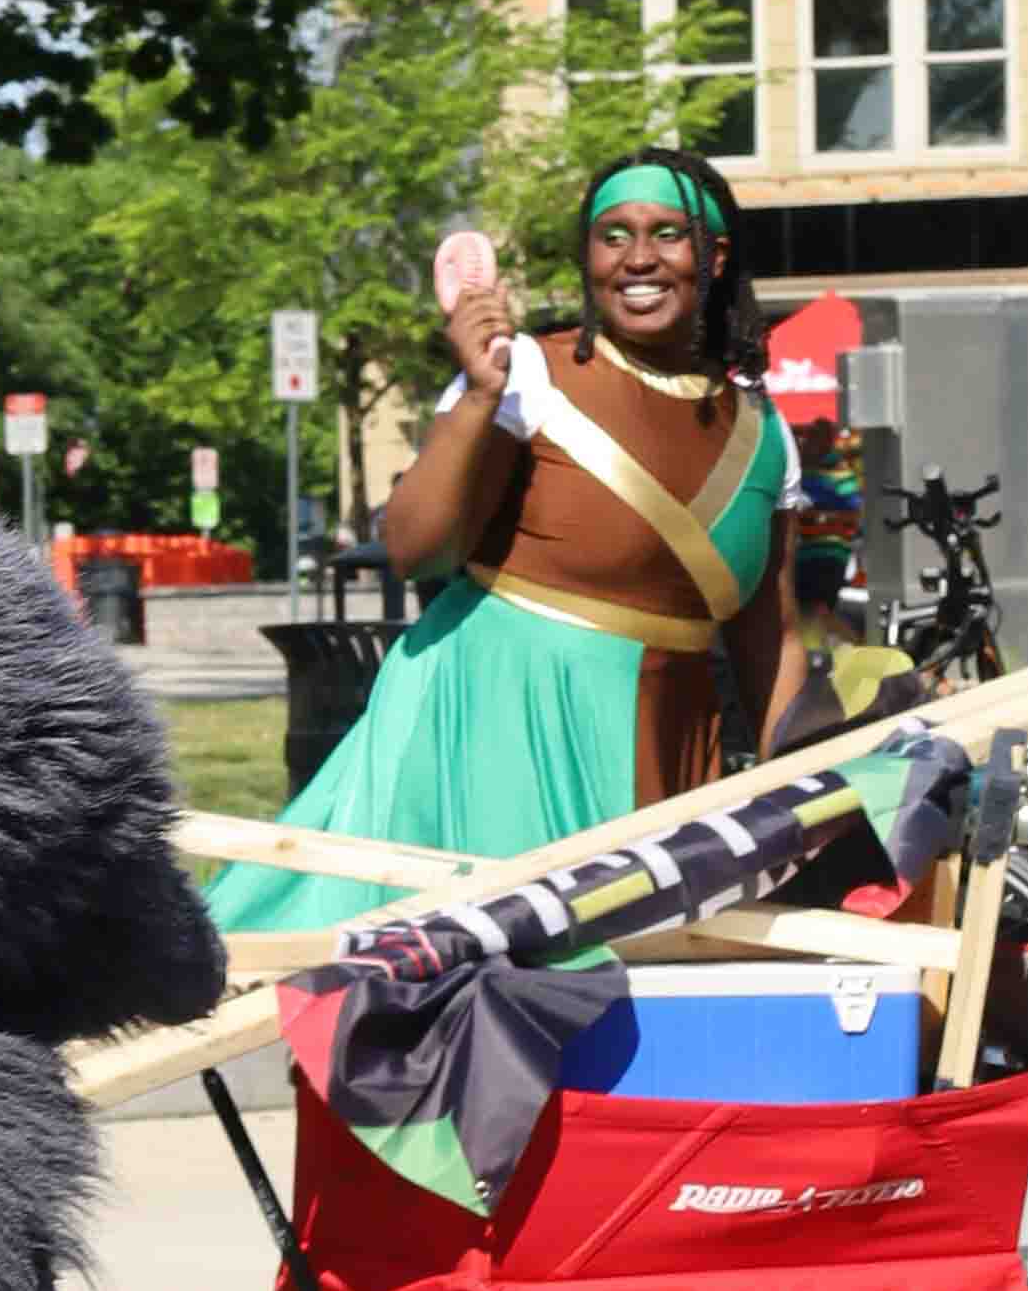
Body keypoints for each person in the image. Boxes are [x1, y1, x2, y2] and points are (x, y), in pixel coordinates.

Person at [198, 156, 801, 944]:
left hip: (671, 735)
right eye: (613, 236)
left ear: (714, 257)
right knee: (495, 972)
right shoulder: (527, 376)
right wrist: (480, 396)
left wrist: (794, 787)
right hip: (498, 725)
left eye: (667, 235)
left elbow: (770, 633)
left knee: (649, 979)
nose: (638, 258)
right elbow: (414, 549)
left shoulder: (764, 430)